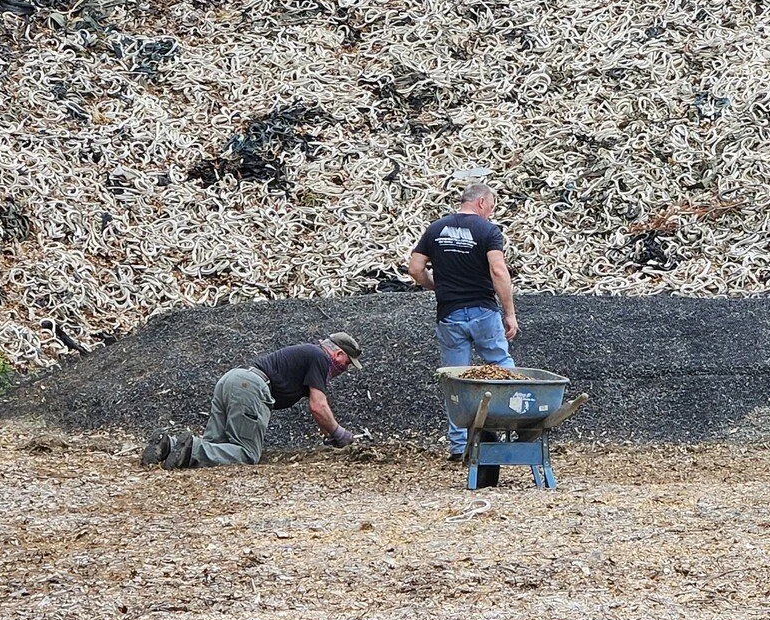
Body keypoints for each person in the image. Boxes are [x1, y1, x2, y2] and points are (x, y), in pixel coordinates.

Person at [406, 183, 518, 461]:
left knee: (455, 381)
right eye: (491, 205)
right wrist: (510, 312)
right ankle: (516, 424)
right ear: (481, 202)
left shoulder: (436, 230)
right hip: (483, 312)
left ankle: (458, 448)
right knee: (503, 368)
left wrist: (433, 285)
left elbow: (415, 269)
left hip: (449, 316)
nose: (491, 212)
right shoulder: (487, 231)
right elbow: (497, 270)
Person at [140, 333, 365, 469]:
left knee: (217, 448)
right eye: (347, 363)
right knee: (246, 454)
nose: (344, 369)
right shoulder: (320, 358)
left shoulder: (308, 354)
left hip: (231, 380)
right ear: (338, 354)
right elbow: (318, 405)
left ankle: (167, 444)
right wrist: (339, 434)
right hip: (251, 388)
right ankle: (194, 448)